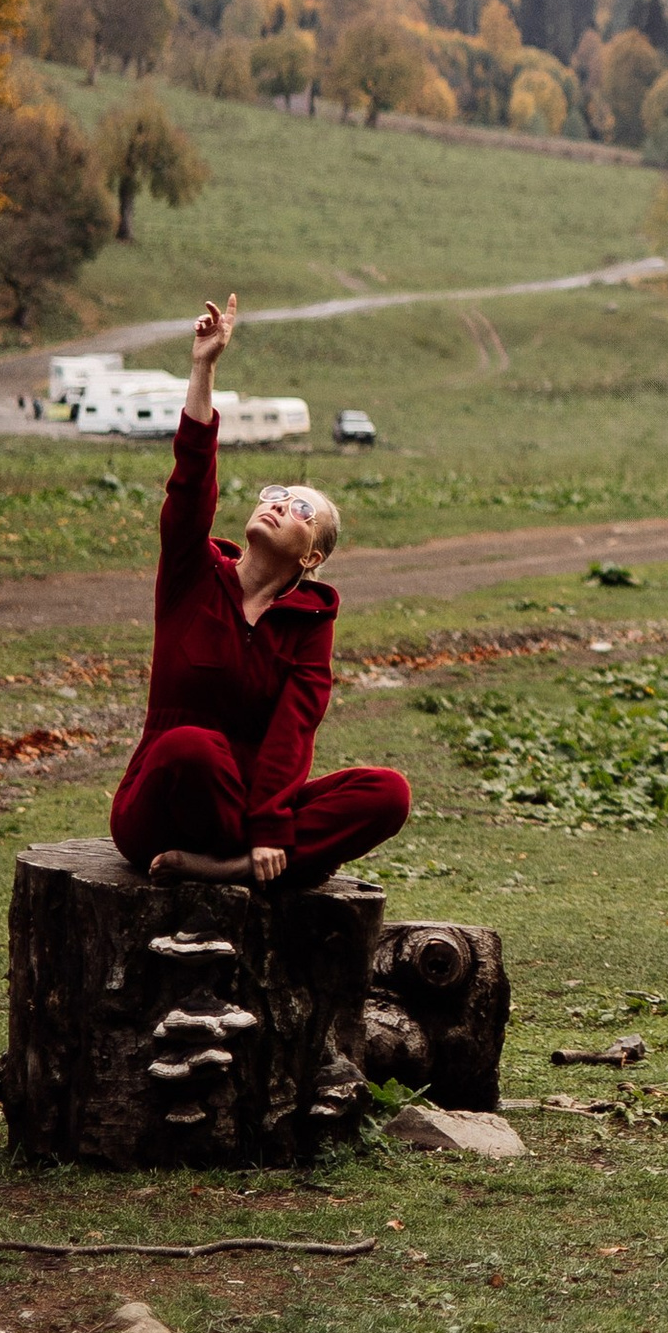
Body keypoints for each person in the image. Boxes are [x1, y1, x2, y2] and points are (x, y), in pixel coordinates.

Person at [109, 293, 410, 888]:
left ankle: (233, 867)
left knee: (388, 792)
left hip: (251, 819)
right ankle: (263, 866)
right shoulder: (191, 574)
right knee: (189, 746)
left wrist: (270, 824)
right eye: (276, 494)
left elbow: (292, 732)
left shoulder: (309, 624)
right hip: (159, 806)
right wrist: (204, 367)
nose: (278, 504)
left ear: (312, 555)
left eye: (300, 508)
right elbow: (191, 482)